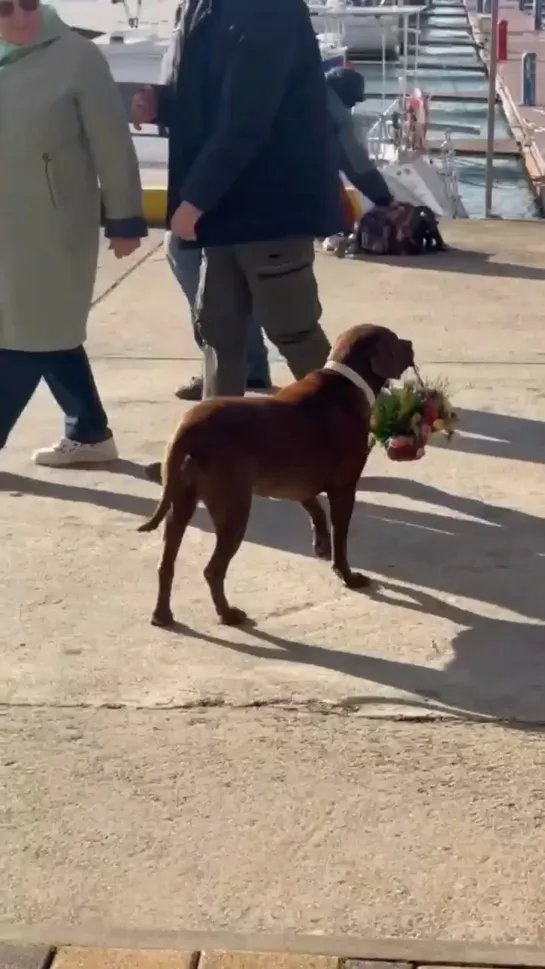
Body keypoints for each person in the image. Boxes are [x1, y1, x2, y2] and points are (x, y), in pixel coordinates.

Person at [132, 0, 342, 399]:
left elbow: (248, 117)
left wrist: (194, 199)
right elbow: (210, 99)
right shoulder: (201, 5)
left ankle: (350, 432)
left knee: (292, 328)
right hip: (226, 205)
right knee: (218, 330)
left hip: (272, 203)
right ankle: (212, 448)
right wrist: (162, 105)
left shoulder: (268, 10)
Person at [0, 0, 147, 466]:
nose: (20, 17)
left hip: (53, 224)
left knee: (26, 334)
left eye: (27, 4)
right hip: (6, 225)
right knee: (46, 328)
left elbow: (112, 142)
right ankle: (89, 431)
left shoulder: (78, 57)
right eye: (5, 9)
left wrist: (124, 218)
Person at [324, 67, 394, 212]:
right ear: (344, 94)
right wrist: (386, 200)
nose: (354, 105)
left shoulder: (305, 95)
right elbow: (358, 167)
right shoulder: (339, 118)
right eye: (353, 100)